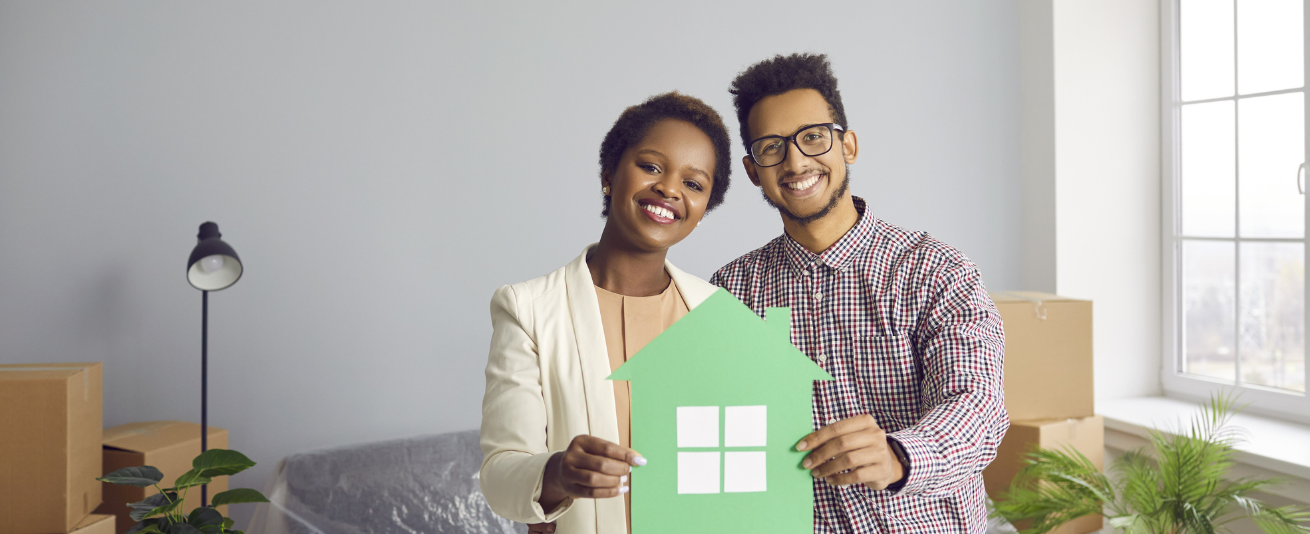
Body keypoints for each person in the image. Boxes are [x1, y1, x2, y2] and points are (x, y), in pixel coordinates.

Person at [710, 53, 1008, 533]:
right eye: (771, 147)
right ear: (751, 169)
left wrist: (897, 457)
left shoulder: (936, 271)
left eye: (813, 137)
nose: (796, 161)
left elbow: (977, 406)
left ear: (847, 144)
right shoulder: (732, 291)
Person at [479, 92, 733, 534]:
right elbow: (500, 476)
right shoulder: (527, 309)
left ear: (702, 212)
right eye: (651, 166)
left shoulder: (716, 314)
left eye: (693, 184)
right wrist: (557, 474)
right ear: (609, 175)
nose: (669, 188)